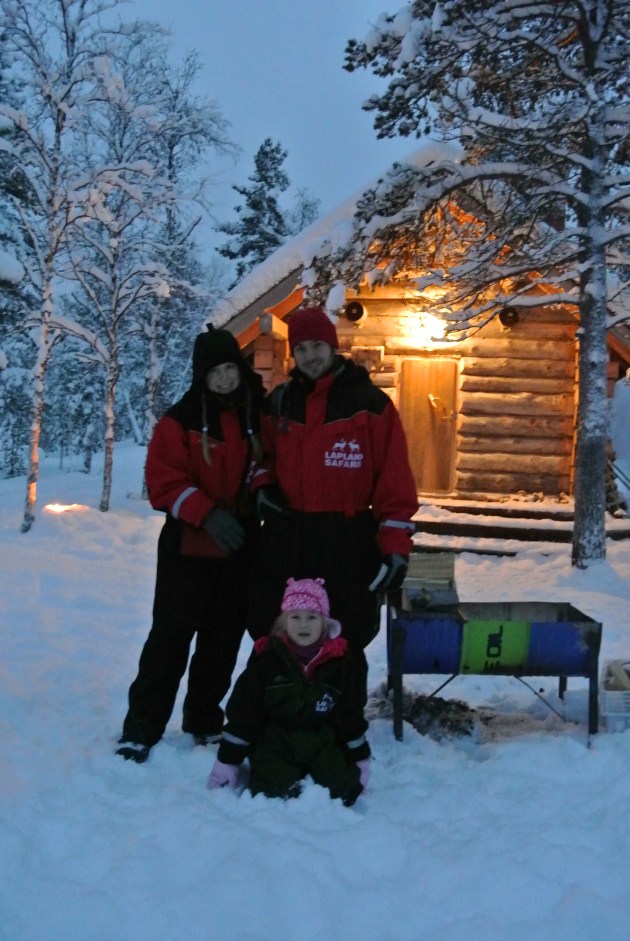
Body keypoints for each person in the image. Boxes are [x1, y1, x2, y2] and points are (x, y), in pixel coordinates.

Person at [116, 326, 266, 763]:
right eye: (214, 371)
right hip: (187, 548)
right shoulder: (177, 420)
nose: (224, 378)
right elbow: (162, 482)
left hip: (237, 547)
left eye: (229, 368)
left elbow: (258, 465)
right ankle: (141, 727)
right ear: (201, 375)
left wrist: (262, 491)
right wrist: (207, 514)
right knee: (169, 640)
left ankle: (203, 719)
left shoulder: (250, 414)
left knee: (221, 642)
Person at [249, 305, 418, 652]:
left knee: (347, 632)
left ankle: (342, 706)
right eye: (301, 349)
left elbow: (394, 481)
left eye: (317, 346)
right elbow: (258, 457)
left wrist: (395, 547)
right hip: (288, 534)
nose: (309, 356)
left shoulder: (371, 404)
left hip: (348, 538)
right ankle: (283, 702)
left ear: (332, 346)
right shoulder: (279, 403)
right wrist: (263, 486)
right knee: (276, 632)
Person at [207, 577, 371, 805]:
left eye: (312, 617)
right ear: (284, 622)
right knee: (271, 786)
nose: (304, 625)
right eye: (296, 617)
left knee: (343, 788)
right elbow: (244, 712)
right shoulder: (268, 662)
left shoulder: (338, 665)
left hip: (321, 741)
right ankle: (283, 786)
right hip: (276, 740)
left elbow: (350, 715)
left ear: (324, 623)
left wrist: (360, 757)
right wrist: (228, 760)